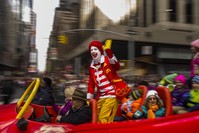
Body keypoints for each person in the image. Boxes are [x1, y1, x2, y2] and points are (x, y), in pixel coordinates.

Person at [87, 40, 131, 123]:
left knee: (103, 120)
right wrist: (89, 98)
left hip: (112, 95)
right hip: (100, 97)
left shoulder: (107, 60)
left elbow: (117, 66)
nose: (93, 51)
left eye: (95, 49)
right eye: (91, 50)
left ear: (100, 51)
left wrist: (108, 52)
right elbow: (91, 83)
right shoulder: (91, 67)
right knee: (95, 119)